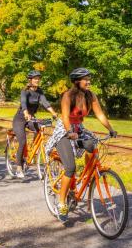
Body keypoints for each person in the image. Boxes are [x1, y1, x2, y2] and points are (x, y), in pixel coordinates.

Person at [54, 67, 116, 221]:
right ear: (77, 81)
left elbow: (100, 114)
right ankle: (61, 203)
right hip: (64, 130)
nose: (88, 82)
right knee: (70, 167)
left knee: (92, 145)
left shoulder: (91, 96)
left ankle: (87, 175)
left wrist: (111, 129)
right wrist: (69, 132)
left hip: (79, 128)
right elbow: (66, 118)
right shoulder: (68, 96)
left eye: (89, 79)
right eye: (85, 79)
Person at [11, 70, 58, 179]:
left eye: (38, 79)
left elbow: (45, 103)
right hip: (20, 118)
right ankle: (18, 167)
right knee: (22, 141)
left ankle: (33, 149)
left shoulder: (39, 91)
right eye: (35, 79)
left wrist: (54, 113)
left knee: (40, 129)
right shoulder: (25, 91)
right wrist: (26, 113)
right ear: (30, 80)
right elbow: (23, 103)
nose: (37, 80)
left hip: (31, 117)